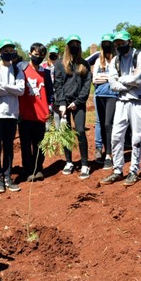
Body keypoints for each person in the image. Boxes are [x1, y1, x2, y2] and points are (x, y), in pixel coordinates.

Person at [100, 30, 141, 186]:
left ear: (130, 42)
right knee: (116, 136)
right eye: (118, 43)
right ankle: (117, 170)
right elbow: (112, 84)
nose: (120, 45)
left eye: (123, 42)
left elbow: (139, 79)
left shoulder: (139, 56)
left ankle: (134, 170)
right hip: (121, 101)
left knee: (137, 137)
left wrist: (121, 81)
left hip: (139, 101)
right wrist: (128, 82)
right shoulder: (115, 60)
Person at [0, 39, 25, 192]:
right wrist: (12, 88)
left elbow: (21, 90)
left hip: (12, 113)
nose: (8, 53)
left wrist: (3, 86)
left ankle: (7, 177)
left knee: (8, 148)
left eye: (11, 50)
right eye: (5, 50)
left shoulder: (17, 70)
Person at [54, 34, 92, 179]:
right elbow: (58, 84)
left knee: (80, 131)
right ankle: (69, 161)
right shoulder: (59, 64)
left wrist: (77, 102)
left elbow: (87, 86)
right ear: (67, 47)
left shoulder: (84, 64)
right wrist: (62, 103)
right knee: (66, 133)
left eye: (77, 44)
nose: (74, 46)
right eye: (72, 44)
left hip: (78, 104)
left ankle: (84, 164)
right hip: (63, 104)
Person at [18, 43, 53, 182]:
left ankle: (38, 168)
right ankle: (28, 169)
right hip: (25, 113)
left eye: (41, 55)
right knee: (25, 144)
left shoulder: (46, 73)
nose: (38, 57)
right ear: (30, 53)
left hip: (41, 114)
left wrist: (49, 107)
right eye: (36, 54)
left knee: (39, 144)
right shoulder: (22, 70)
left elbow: (50, 92)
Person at [92, 33, 118, 170]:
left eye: (109, 43)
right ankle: (102, 151)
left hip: (113, 95)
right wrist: (109, 77)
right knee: (101, 123)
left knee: (109, 124)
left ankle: (109, 154)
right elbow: (94, 79)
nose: (106, 45)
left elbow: (117, 78)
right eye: (104, 43)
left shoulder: (117, 60)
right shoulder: (98, 60)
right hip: (99, 95)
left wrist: (106, 77)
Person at [42, 45, 61, 129]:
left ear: (58, 55)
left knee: (57, 110)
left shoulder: (61, 65)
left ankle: (58, 129)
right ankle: (47, 130)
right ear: (48, 54)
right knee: (48, 110)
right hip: (47, 90)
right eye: (51, 54)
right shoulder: (43, 65)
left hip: (57, 90)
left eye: (55, 54)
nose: (53, 56)